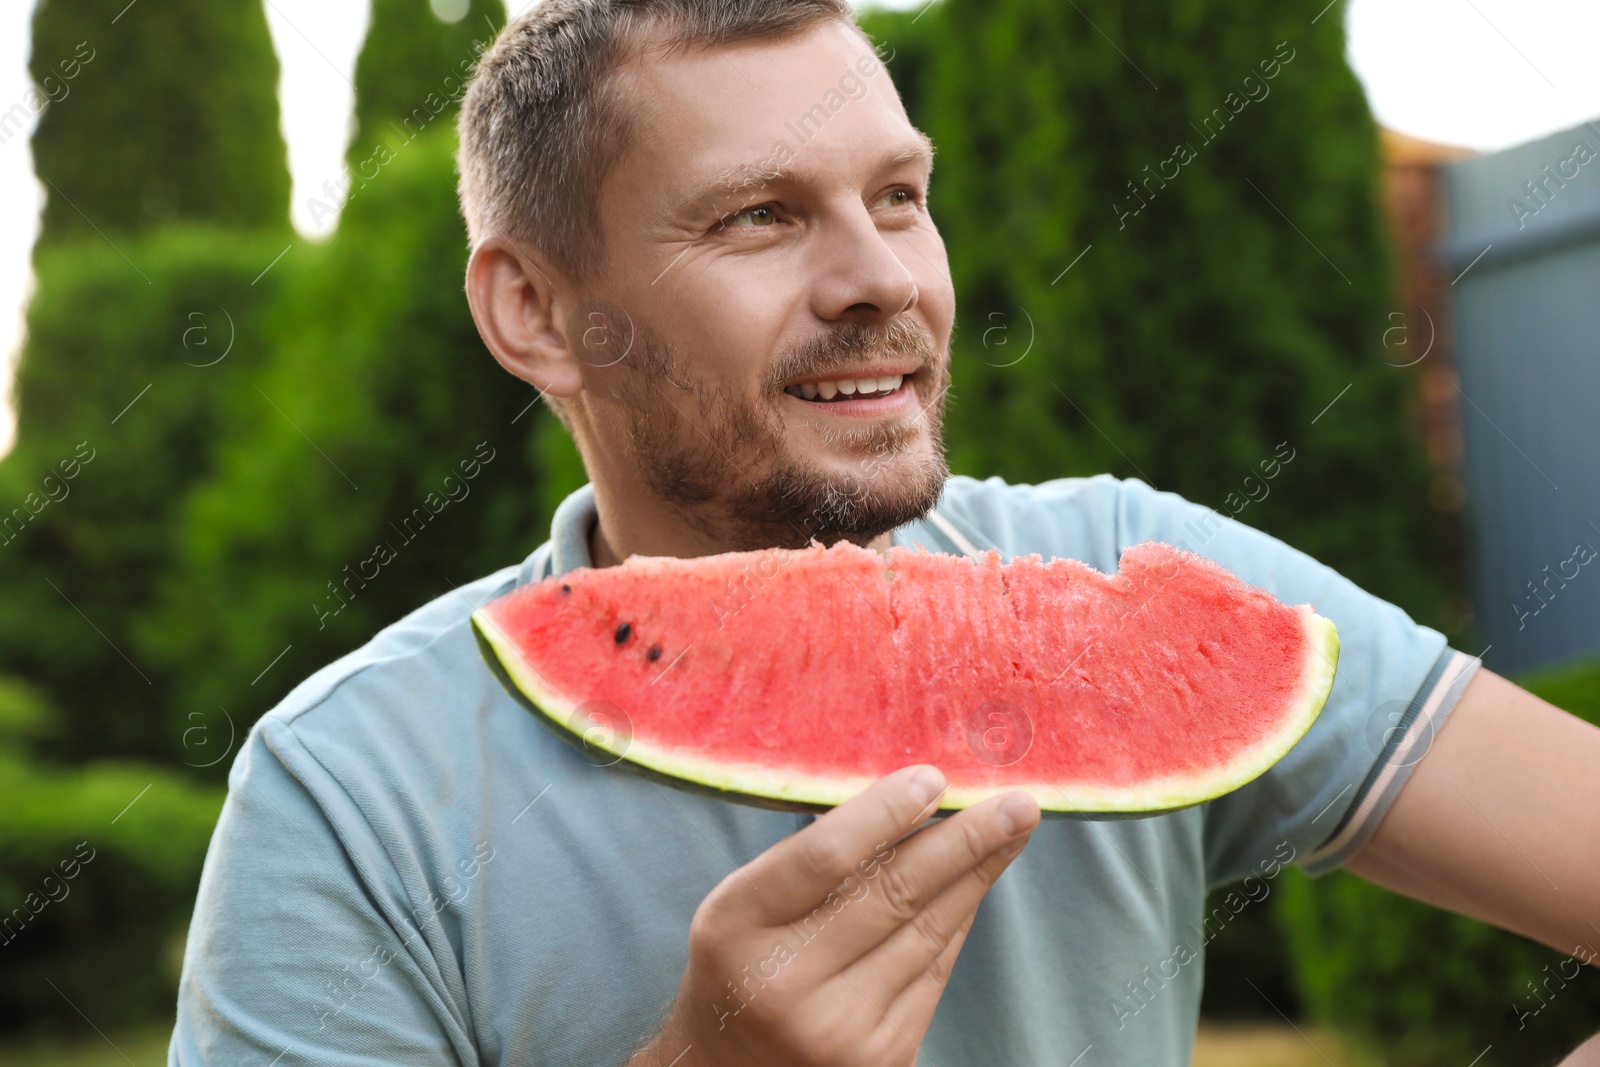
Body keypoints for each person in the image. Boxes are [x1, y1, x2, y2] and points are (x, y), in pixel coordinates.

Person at [167, 1, 1600, 1063]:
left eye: (901, 198)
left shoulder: (1130, 573)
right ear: (537, 312)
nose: (881, 280)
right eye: (757, 218)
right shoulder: (349, 792)